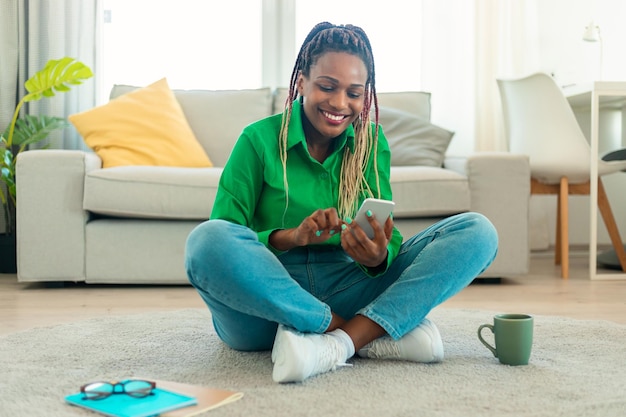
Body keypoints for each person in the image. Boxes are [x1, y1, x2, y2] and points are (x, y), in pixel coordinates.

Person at [185, 22, 498, 384]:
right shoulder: (257, 140)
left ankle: (338, 344)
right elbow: (226, 233)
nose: (339, 103)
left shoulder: (370, 142)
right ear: (301, 82)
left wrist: (376, 257)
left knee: (478, 231)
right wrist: (292, 237)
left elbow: (387, 239)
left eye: (354, 92)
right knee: (205, 240)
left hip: (348, 286)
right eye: (327, 87)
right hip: (265, 307)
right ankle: (358, 333)